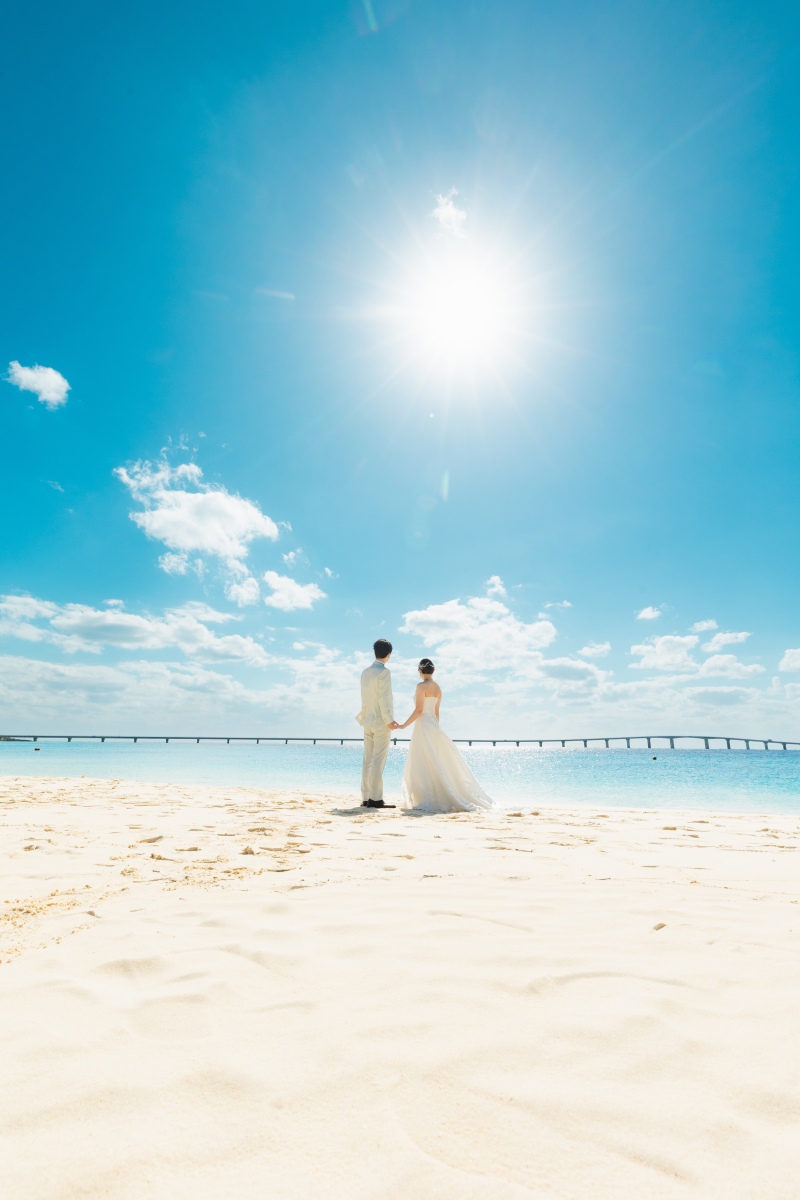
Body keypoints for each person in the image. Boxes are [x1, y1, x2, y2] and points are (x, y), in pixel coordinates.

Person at [397, 658, 494, 813]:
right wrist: (436, 727)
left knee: (423, 759)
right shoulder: (438, 688)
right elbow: (437, 712)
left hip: (423, 726)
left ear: (420, 670)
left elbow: (419, 710)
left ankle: (426, 798)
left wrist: (403, 725)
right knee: (435, 759)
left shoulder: (421, 686)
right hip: (433, 725)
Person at [356, 639, 399, 809]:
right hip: (380, 721)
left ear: (374, 653)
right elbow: (384, 699)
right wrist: (389, 720)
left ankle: (366, 797)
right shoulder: (384, 672)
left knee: (368, 759)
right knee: (378, 760)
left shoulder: (365, 672)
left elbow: (365, 697)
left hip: (367, 719)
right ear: (389, 655)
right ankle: (376, 799)